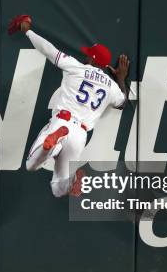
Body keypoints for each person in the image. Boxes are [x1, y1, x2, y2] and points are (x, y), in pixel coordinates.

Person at [8, 15, 130, 198]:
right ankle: (68, 176)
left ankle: (54, 145)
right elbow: (122, 103)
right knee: (58, 189)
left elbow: (49, 50)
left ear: (94, 60)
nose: (85, 56)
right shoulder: (111, 86)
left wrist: (27, 30)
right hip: (80, 135)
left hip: (62, 123)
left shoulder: (77, 67)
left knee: (31, 165)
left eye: (89, 55)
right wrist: (120, 78)